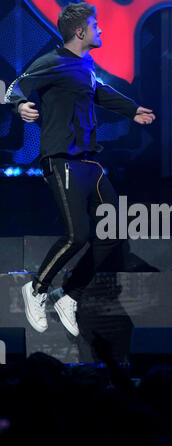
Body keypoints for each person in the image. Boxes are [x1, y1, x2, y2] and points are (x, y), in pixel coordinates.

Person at [5, 2, 155, 337]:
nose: (100, 30)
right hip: (62, 159)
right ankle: (37, 288)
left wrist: (131, 110)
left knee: (113, 232)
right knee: (78, 235)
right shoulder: (53, 61)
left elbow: (99, 91)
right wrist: (20, 107)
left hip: (90, 161)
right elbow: (15, 86)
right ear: (80, 31)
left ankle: (68, 294)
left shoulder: (84, 64)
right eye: (96, 25)